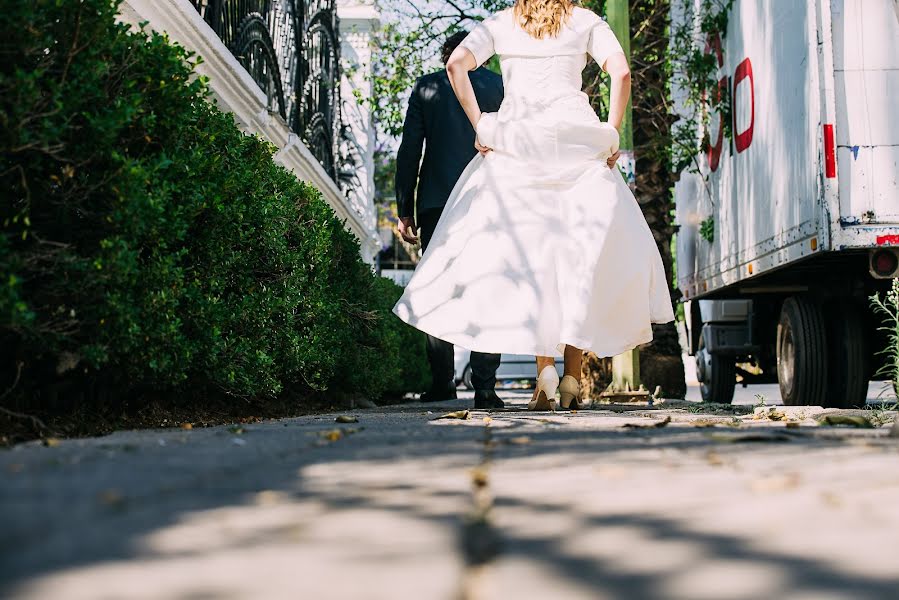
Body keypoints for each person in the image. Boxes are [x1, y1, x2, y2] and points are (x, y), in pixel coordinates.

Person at [393, 0, 675, 411]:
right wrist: (611, 131)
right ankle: (573, 378)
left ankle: (545, 373)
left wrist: (482, 126)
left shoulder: (503, 23)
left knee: (535, 260)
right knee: (579, 258)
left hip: (518, 145)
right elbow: (622, 71)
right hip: (576, 142)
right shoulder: (584, 21)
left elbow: (457, 65)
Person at [395, 31, 506, 409]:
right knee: (490, 289)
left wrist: (404, 209)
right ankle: (486, 387)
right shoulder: (500, 86)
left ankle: (443, 383)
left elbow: (410, 149)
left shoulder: (427, 88)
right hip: (489, 200)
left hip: (437, 202)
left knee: (439, 287)